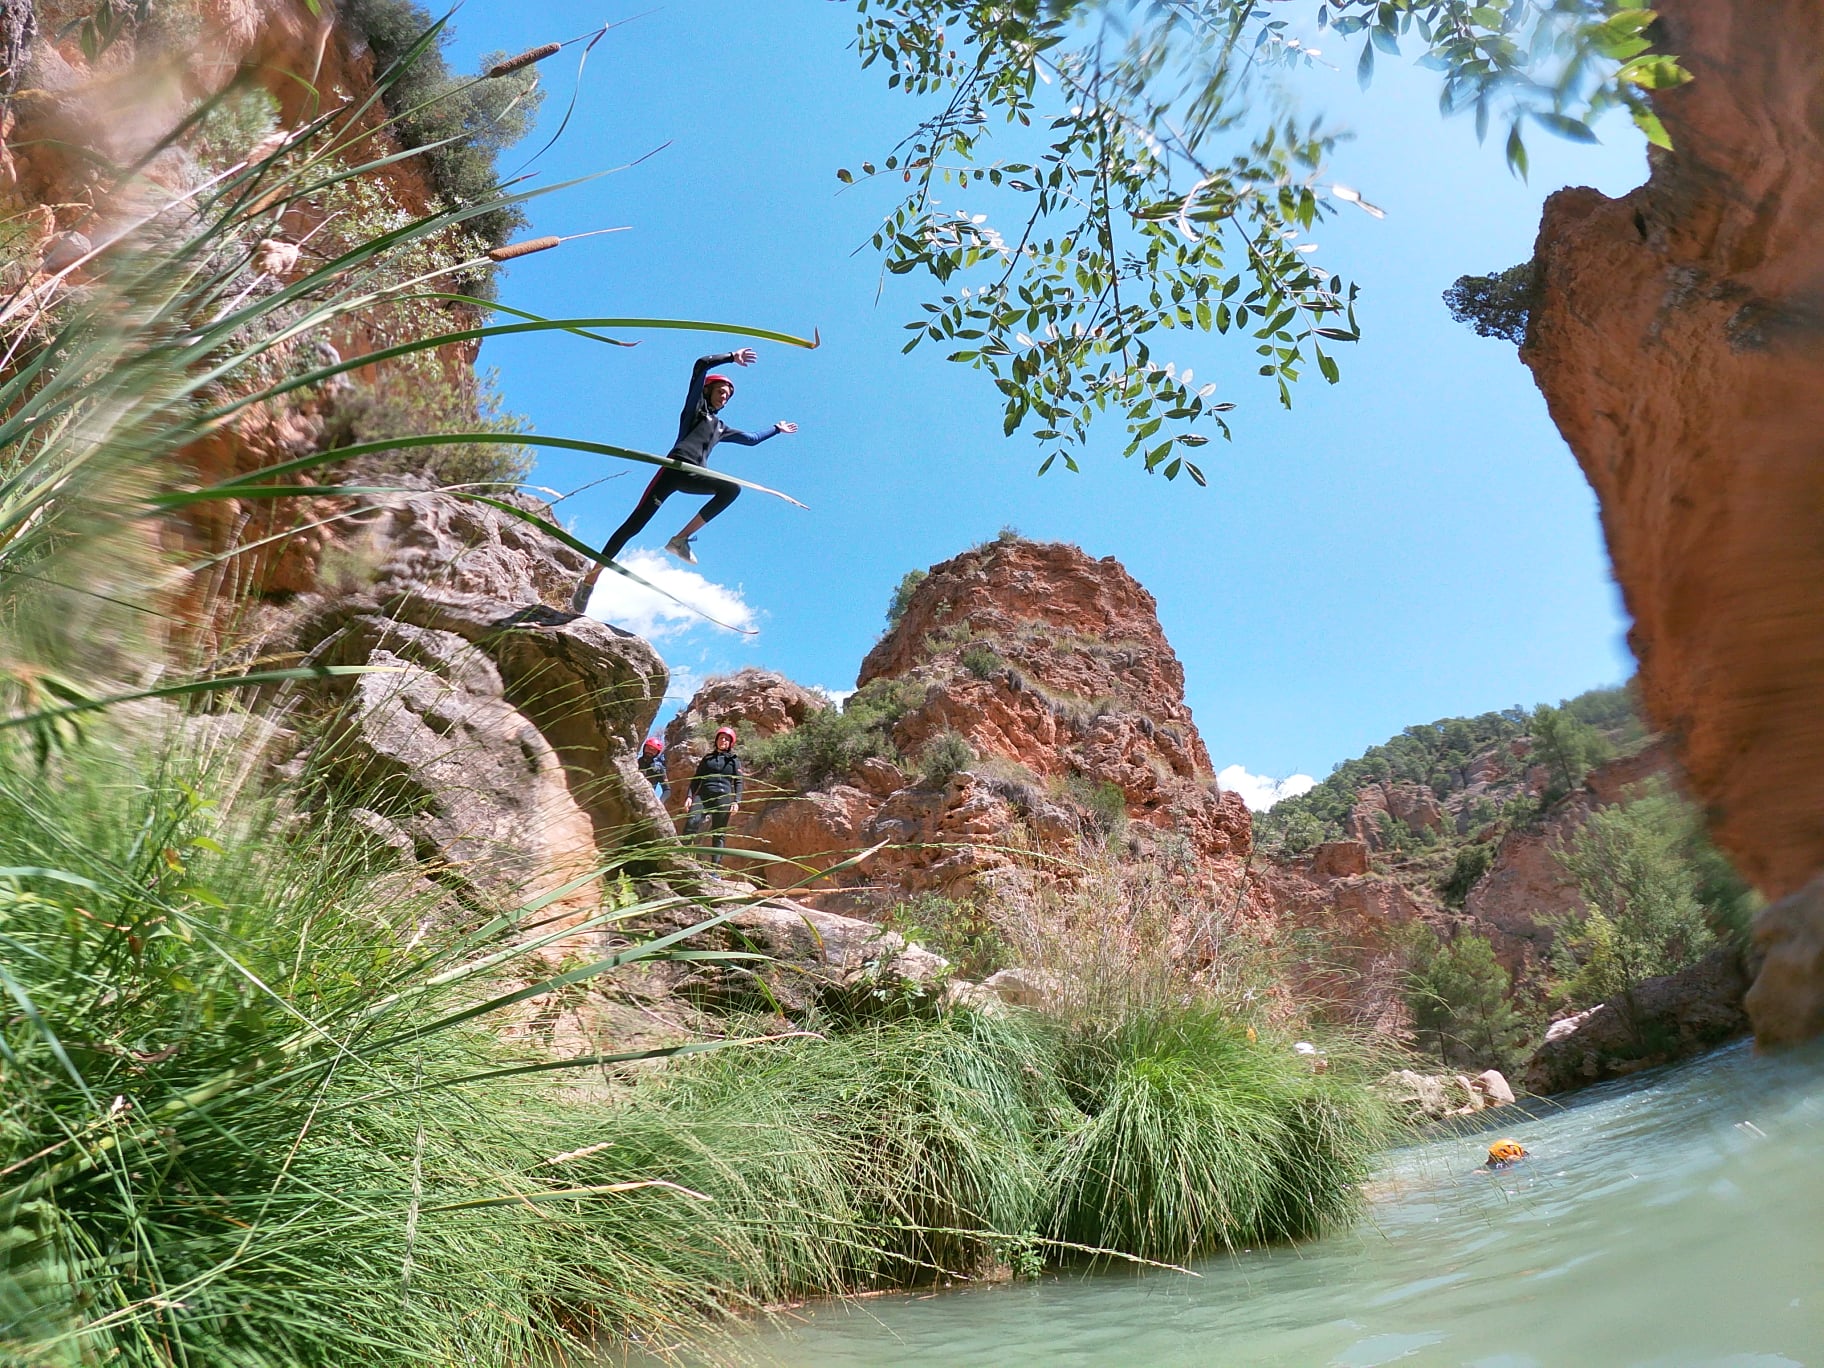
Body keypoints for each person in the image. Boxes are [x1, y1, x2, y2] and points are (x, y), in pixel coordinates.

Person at [570, 348, 798, 611]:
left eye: (728, 395)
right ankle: (590, 580)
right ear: (708, 391)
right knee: (633, 526)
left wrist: (776, 430)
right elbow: (700, 365)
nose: (724, 396)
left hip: (695, 475)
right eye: (721, 390)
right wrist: (730, 357)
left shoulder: (721, 427)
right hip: (672, 470)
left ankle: (680, 540)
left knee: (731, 490)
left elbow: (751, 440)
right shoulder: (694, 411)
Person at [686, 726, 743, 864]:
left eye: (727, 739)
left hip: (723, 798)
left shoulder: (734, 760)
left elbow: (739, 781)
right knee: (691, 822)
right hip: (703, 795)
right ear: (716, 740)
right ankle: (682, 858)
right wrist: (689, 796)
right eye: (721, 738)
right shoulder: (707, 759)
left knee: (718, 833)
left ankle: (714, 870)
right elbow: (696, 779)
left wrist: (736, 801)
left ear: (731, 743)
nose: (723, 740)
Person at [638, 736, 667, 803]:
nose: (650, 751)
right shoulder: (634, 763)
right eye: (648, 748)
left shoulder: (658, 768)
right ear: (644, 748)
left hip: (647, 801)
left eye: (654, 750)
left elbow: (667, 790)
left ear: (657, 753)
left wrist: (660, 803)